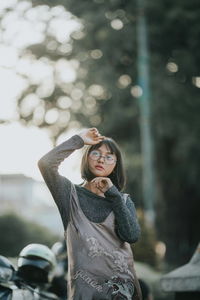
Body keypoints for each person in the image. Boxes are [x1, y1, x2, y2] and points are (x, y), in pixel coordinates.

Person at [38, 127, 142, 300]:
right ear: (86, 158)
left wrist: (114, 195)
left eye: (109, 156)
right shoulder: (68, 195)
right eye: (96, 153)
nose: (101, 159)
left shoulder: (122, 200)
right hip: (85, 294)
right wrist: (78, 140)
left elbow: (131, 236)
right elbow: (46, 164)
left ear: (115, 165)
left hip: (122, 293)